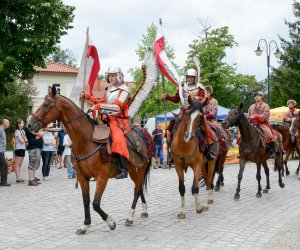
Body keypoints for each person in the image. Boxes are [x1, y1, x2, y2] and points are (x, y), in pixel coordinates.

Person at [83, 66, 131, 179]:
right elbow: (101, 101)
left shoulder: (125, 90)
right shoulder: (108, 90)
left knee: (118, 140)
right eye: (110, 75)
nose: (111, 77)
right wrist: (87, 96)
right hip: (104, 119)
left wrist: (99, 106)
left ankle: (124, 169)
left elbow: (118, 107)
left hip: (118, 121)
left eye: (113, 75)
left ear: (119, 75)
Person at [162, 68, 215, 160]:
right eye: (188, 77)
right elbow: (176, 99)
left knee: (204, 127)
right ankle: (171, 150)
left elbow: (204, 99)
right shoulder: (182, 87)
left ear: (195, 78)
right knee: (172, 124)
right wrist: (167, 97)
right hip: (185, 111)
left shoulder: (200, 87)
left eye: (191, 77)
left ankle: (208, 151)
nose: (189, 79)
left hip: (196, 111)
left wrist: (198, 98)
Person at [248, 91, 276, 158]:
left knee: (269, 134)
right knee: (243, 133)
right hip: (252, 124)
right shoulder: (251, 107)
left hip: (262, 124)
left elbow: (266, 115)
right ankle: (244, 151)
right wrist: (249, 118)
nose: (256, 97)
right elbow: (249, 115)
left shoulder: (265, 105)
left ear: (262, 96)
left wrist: (256, 116)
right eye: (255, 96)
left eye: (258, 95)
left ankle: (272, 151)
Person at [25, 119, 44, 186]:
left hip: (37, 148)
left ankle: (33, 179)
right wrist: (39, 134)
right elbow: (40, 134)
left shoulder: (35, 128)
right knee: (32, 164)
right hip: (33, 148)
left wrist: (39, 134)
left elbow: (42, 134)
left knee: (35, 164)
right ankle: (30, 180)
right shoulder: (28, 128)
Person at [14, 119, 28, 183]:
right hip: (18, 148)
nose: (23, 124)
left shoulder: (22, 131)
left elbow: (25, 139)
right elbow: (22, 141)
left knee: (20, 164)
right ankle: (18, 178)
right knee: (17, 164)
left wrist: (24, 140)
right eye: (22, 123)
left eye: (23, 123)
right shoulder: (17, 131)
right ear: (18, 124)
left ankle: (19, 178)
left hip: (23, 148)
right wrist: (24, 140)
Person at [0, 119, 11, 186]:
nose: (9, 124)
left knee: (2, 165)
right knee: (4, 165)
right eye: (8, 123)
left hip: (1, 151)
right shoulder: (0, 129)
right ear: (4, 123)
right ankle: (3, 182)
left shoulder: (2, 130)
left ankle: (3, 182)